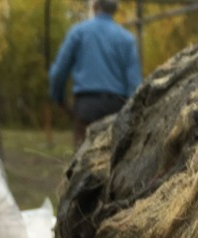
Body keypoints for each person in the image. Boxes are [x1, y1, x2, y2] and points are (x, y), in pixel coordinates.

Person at [49, 0, 141, 147]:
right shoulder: (127, 39)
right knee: (113, 161)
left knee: (83, 161)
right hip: (117, 109)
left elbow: (59, 72)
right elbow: (134, 83)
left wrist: (58, 98)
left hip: (87, 107)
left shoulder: (78, 32)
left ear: (95, 7)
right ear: (114, 10)